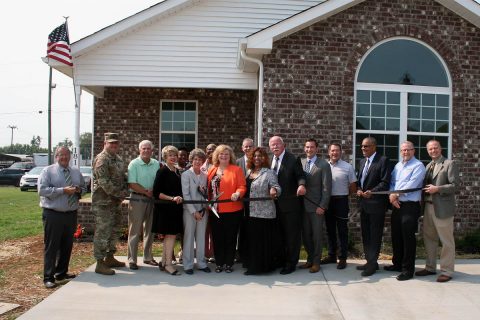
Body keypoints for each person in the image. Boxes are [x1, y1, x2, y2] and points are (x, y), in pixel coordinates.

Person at [38, 146, 85, 288]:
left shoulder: (75, 172)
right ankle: (48, 277)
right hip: (53, 214)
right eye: (61, 155)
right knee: (52, 246)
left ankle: (62, 272)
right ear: (56, 157)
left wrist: (78, 190)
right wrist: (62, 190)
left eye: (66, 155)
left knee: (67, 245)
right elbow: (42, 190)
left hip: (70, 214)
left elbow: (84, 187)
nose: (64, 157)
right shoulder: (48, 171)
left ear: (70, 156)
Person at [415, 140, 459, 283]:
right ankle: (430, 267)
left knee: (446, 241)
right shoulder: (428, 166)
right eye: (430, 149)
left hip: (443, 208)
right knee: (429, 238)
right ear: (427, 151)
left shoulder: (449, 164)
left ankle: (447, 271)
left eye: (436, 148)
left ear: (441, 149)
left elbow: (455, 185)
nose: (433, 150)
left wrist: (438, 189)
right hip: (428, 207)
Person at [385, 141, 425, 281]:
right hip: (397, 204)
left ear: (414, 151)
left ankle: (408, 270)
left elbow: (412, 184)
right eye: (403, 150)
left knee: (408, 238)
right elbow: (392, 182)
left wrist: (396, 194)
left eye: (408, 150)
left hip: (410, 206)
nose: (405, 152)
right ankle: (397, 264)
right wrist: (392, 195)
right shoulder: (398, 165)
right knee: (396, 235)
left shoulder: (418, 166)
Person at [92, 132, 129, 276]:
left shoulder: (118, 159)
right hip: (103, 203)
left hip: (115, 202)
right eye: (110, 143)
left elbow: (123, 177)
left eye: (115, 143)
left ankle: (110, 257)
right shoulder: (102, 159)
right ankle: (100, 263)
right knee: (102, 232)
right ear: (105, 144)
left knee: (114, 230)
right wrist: (120, 194)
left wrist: (126, 189)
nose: (113, 145)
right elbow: (104, 182)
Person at [268, 135, 306, 275]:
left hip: (290, 205)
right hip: (274, 206)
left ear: (283, 145)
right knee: (279, 236)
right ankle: (281, 260)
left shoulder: (292, 159)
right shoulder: (270, 160)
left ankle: (291, 263)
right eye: (272, 145)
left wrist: (301, 185)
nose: (275, 146)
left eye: (277, 144)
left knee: (291, 236)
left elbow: (300, 175)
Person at [207, 145, 246, 273]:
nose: (223, 156)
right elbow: (207, 189)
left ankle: (229, 263)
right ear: (217, 156)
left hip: (233, 210)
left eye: (226, 154)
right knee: (217, 238)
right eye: (221, 154)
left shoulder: (237, 170)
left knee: (230, 237)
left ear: (230, 157)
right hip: (215, 210)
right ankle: (219, 263)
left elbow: (242, 186)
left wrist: (237, 193)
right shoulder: (212, 170)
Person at [356, 137, 391, 277]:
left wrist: (373, 192)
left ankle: (372, 264)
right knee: (366, 234)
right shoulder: (362, 161)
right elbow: (360, 181)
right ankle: (370, 261)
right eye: (362, 146)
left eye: (366, 146)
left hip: (376, 205)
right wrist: (359, 189)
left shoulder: (383, 160)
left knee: (375, 235)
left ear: (374, 147)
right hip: (364, 204)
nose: (363, 149)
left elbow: (385, 182)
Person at [244, 147, 281, 275]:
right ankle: (253, 265)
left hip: (264, 213)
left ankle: (262, 267)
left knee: (262, 242)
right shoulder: (249, 172)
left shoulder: (268, 172)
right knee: (253, 241)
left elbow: (276, 186)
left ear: (264, 158)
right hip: (250, 212)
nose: (257, 158)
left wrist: (274, 190)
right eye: (254, 156)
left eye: (260, 156)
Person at [321, 143, 357, 270]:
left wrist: (346, 194)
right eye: (332, 151)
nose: (334, 153)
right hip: (327, 201)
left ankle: (342, 258)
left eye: (337, 151)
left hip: (341, 201)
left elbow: (353, 185)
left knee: (342, 230)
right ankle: (331, 255)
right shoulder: (324, 165)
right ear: (328, 152)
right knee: (329, 229)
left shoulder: (347, 167)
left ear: (341, 152)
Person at [299, 139, 332, 273]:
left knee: (317, 236)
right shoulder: (300, 163)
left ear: (316, 149)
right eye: (307, 147)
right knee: (306, 235)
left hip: (316, 206)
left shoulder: (323, 165)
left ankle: (317, 262)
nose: (309, 149)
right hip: (302, 206)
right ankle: (310, 259)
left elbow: (326, 188)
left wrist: (322, 206)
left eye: (312, 147)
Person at [126, 140, 160, 270]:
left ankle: (147, 257)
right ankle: (132, 259)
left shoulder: (156, 163)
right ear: (139, 150)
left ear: (152, 150)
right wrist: (146, 192)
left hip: (152, 199)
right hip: (137, 198)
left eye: (148, 148)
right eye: (143, 148)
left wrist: (152, 192)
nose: (146, 150)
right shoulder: (134, 164)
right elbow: (132, 183)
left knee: (150, 230)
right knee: (135, 230)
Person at [152, 145, 183, 275]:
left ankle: (164, 262)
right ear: (165, 157)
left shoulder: (176, 171)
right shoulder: (162, 171)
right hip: (165, 209)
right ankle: (168, 264)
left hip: (175, 209)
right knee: (169, 236)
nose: (173, 157)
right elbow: (156, 192)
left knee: (171, 237)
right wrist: (172, 198)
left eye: (175, 155)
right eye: (170, 155)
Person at [181, 148, 211, 274]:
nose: (198, 162)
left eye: (200, 159)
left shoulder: (205, 176)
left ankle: (201, 263)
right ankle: (188, 264)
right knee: (189, 237)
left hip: (203, 211)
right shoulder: (185, 175)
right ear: (191, 160)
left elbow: (205, 194)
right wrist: (194, 212)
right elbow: (186, 195)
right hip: (190, 211)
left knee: (200, 237)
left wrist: (204, 208)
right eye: (195, 159)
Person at [235, 137, 254, 263]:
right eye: (245, 146)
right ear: (242, 148)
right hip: (240, 199)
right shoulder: (237, 162)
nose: (247, 148)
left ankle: (250, 252)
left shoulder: (257, 161)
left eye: (250, 146)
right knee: (240, 227)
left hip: (254, 200)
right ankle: (240, 253)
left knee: (251, 227)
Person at [202, 143, 217, 262]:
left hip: (216, 202)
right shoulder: (202, 166)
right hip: (202, 201)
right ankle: (204, 253)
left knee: (213, 229)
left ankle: (212, 253)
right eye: (208, 149)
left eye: (213, 149)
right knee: (204, 229)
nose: (210, 151)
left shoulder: (219, 166)